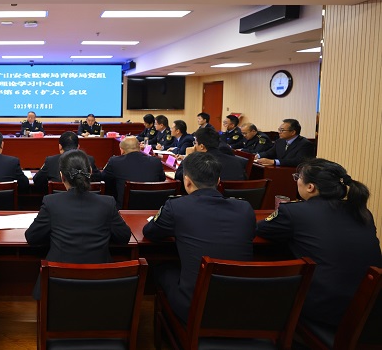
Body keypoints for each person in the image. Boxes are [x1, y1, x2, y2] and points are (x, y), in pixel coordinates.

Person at [256, 158, 381, 329]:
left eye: (298, 177)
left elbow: (261, 229)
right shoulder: (362, 212)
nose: (296, 181)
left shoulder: (295, 212)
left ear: (310, 187)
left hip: (327, 309)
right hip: (369, 311)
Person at [143, 152, 255, 323]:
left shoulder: (176, 207)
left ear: (187, 181)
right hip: (242, 307)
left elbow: (150, 232)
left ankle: (166, 328)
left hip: (194, 309)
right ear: (218, 181)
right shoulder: (245, 208)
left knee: (161, 268)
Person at [26, 150, 131, 299]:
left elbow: (32, 237)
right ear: (90, 172)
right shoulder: (107, 203)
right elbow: (124, 237)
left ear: (61, 176)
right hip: (100, 283)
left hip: (57, 284)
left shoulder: (51, 202)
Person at [101, 136, 166, 209]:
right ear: (139, 148)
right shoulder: (155, 162)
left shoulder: (115, 162)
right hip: (153, 209)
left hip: (124, 210)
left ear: (122, 150)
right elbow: (162, 180)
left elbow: (103, 179)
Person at [33, 131, 101, 192]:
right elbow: (100, 179)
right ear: (78, 147)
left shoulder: (50, 161)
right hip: (85, 200)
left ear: (60, 147)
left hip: (57, 201)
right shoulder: (88, 160)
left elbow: (37, 180)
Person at [174, 127, 247, 182]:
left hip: (209, 197)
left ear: (202, 146)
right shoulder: (237, 161)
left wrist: (188, 157)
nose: (194, 146)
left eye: (195, 143)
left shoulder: (200, 163)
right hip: (236, 197)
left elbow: (179, 176)